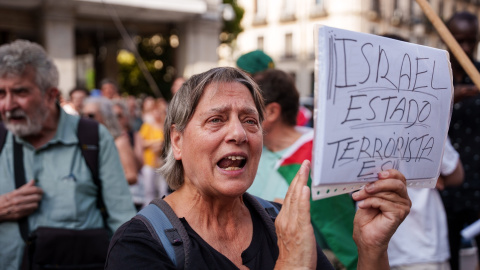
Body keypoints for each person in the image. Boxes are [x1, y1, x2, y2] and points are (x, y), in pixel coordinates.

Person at [105, 67, 411, 269]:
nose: (239, 134)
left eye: (250, 121)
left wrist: (371, 250)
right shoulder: (139, 245)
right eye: (216, 119)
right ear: (178, 141)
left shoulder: (283, 225)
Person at [0, 40, 136, 269]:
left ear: (50, 95)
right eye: (1, 93)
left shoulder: (92, 137)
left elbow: (121, 220)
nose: (7, 105)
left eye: (20, 92)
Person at [247, 69, 358, 269]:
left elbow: (338, 233)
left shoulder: (321, 152)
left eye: (249, 108)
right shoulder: (250, 151)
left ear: (271, 112)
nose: (240, 115)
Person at [388, 138, 463, 270]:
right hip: (423, 245)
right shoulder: (427, 121)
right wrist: (434, 177)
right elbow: (456, 173)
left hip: (372, 249)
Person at [442, 11, 480, 270]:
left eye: (471, 40)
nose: (465, 48)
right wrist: (450, 98)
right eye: (459, 40)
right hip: (442, 192)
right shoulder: (431, 77)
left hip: (478, 189)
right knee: (449, 259)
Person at [82, 96, 139, 186]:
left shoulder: (119, 141)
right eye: (83, 115)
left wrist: (101, 181)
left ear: (105, 116)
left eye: (91, 115)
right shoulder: (86, 141)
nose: (86, 119)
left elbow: (132, 176)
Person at [137, 98, 169, 207]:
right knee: (149, 190)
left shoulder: (164, 127)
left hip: (161, 163)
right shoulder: (147, 126)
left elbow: (166, 143)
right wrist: (156, 143)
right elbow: (142, 142)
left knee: (163, 189)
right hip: (149, 163)